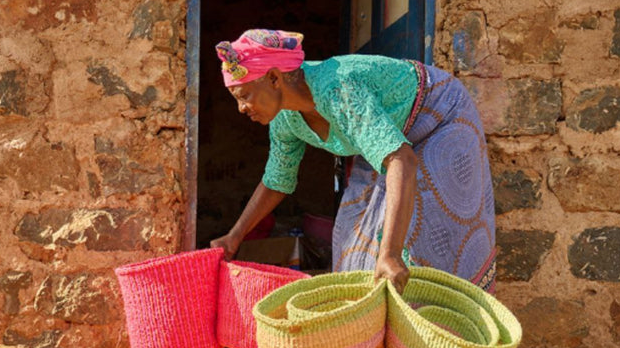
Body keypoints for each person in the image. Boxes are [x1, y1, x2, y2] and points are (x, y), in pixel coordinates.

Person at [210, 28, 496, 295]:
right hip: (392, 138)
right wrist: (235, 236)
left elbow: (402, 162)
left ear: (274, 78)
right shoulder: (285, 118)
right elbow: (277, 181)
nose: (241, 108)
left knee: (420, 238)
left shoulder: (339, 90)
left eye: (244, 96)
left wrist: (391, 253)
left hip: (437, 118)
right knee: (352, 235)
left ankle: (438, 331)